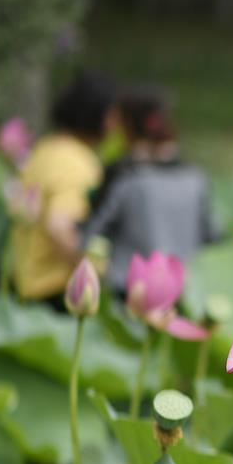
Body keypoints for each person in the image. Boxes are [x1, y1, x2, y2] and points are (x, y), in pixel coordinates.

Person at [82, 85, 219, 296]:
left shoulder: (124, 176)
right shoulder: (195, 177)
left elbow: (91, 233)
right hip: (184, 291)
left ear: (126, 126)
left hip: (129, 292)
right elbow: (212, 235)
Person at [13, 71, 117, 308]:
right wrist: (94, 274)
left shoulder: (45, 148)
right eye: (113, 116)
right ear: (97, 114)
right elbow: (59, 226)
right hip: (53, 292)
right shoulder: (77, 163)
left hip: (22, 280)